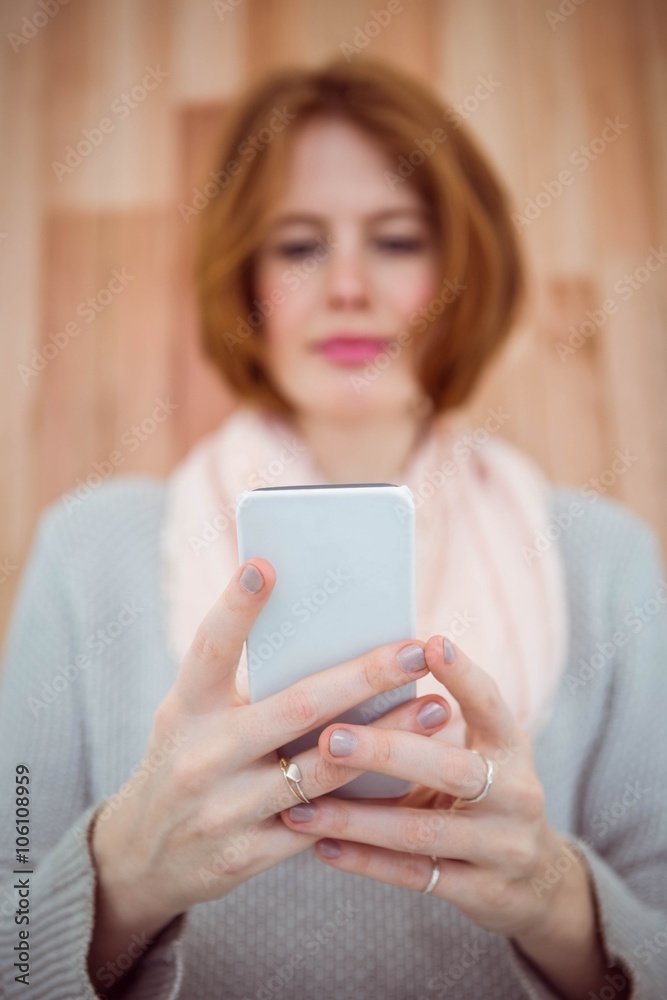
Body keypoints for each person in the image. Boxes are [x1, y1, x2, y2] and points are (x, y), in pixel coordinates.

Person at [0, 57, 665, 1000]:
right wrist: (116, 883)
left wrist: (561, 904)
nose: (348, 285)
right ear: (246, 280)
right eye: (299, 246)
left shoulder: (602, 560)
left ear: (459, 271)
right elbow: (8, 919)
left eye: (395, 242)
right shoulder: (90, 552)